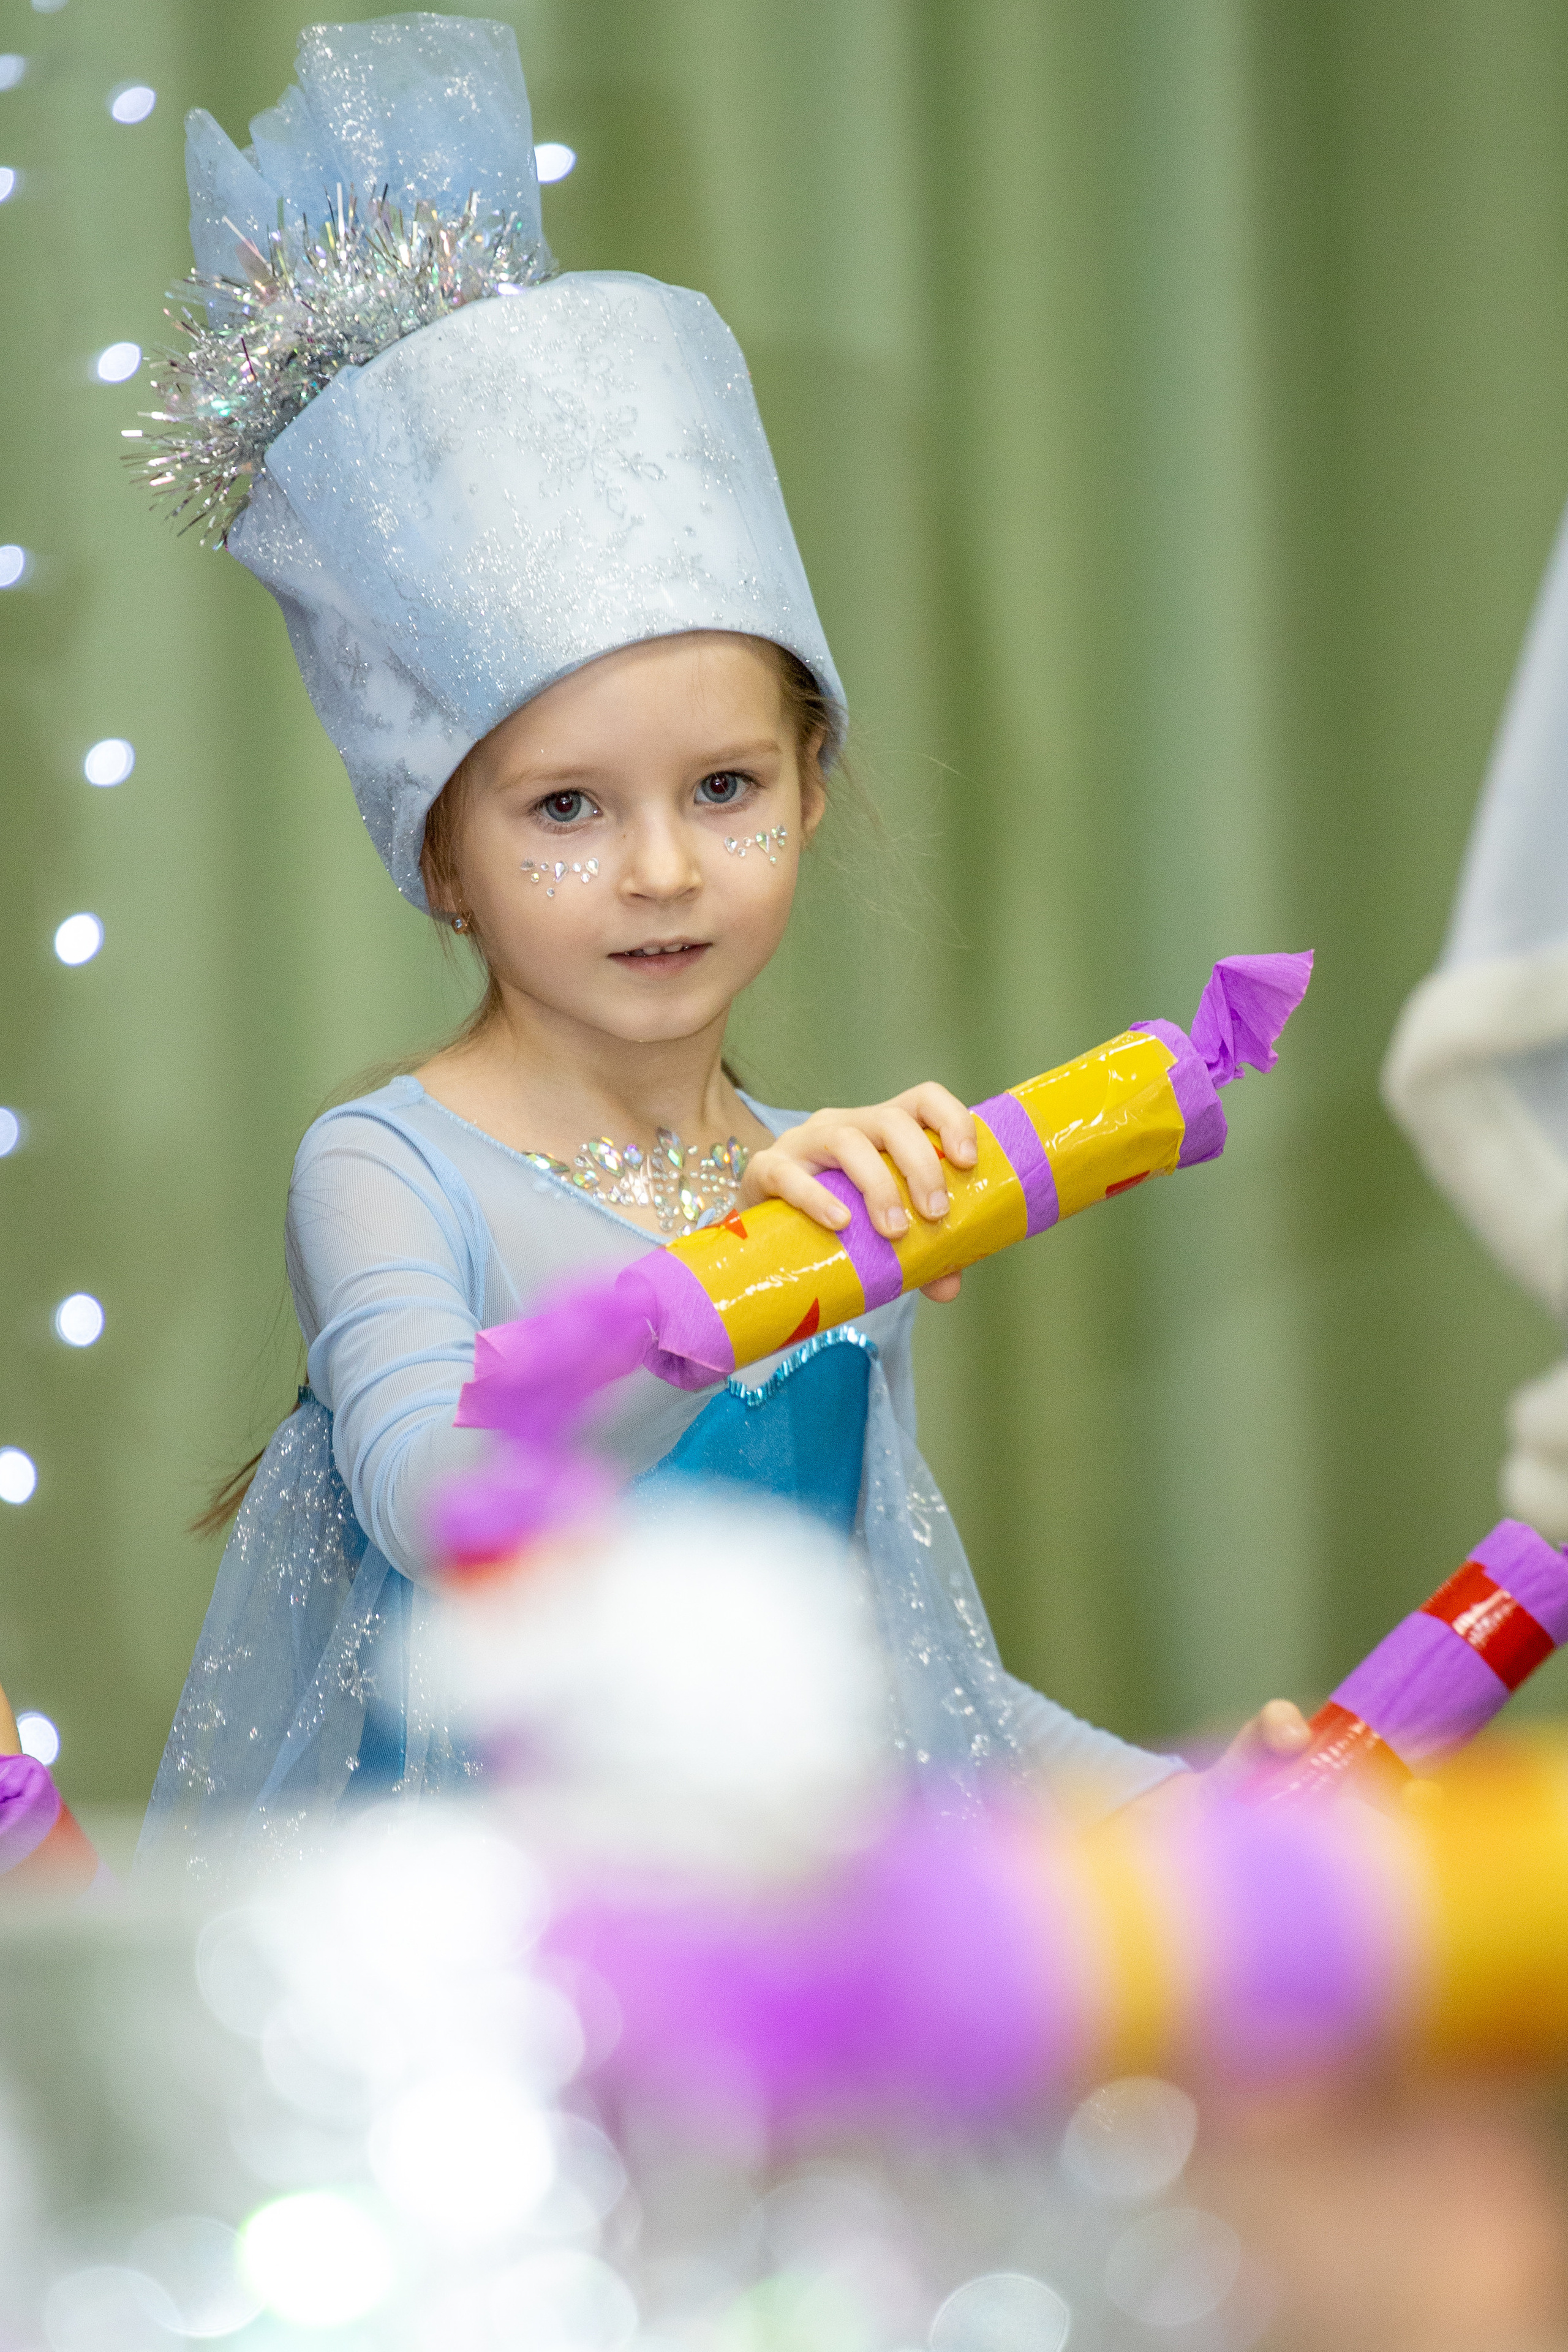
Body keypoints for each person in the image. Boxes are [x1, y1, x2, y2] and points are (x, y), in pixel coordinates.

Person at [137, 15, 1303, 1874]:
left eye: (728, 789)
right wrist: (741, 1282)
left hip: (775, 1962)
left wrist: (1189, 1805)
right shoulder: (385, 1166)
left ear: (814, 787)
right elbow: (448, 1506)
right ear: (441, 858)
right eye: (567, 812)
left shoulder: (832, 1183)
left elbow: (896, 1668)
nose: (665, 869)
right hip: (495, 1974)